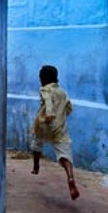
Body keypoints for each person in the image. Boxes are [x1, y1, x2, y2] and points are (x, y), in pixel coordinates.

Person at [30, 65, 80, 200]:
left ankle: (36, 166)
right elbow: (69, 107)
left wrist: (50, 114)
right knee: (64, 153)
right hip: (59, 127)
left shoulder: (45, 89)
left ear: (43, 79)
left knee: (37, 142)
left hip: (44, 124)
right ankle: (70, 177)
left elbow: (47, 101)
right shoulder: (62, 92)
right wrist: (61, 115)